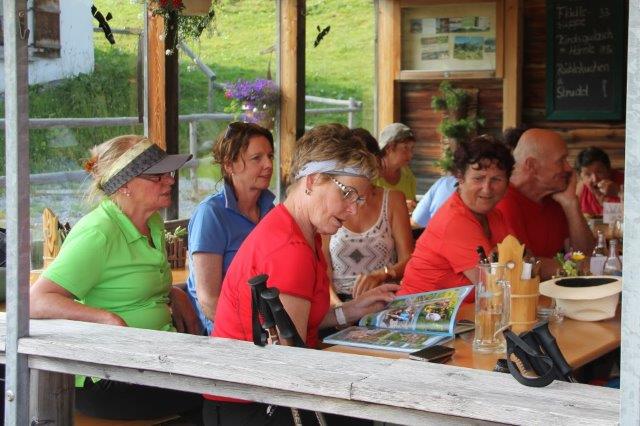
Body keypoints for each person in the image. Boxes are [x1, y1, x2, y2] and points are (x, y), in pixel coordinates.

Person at [207, 124, 399, 425]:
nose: (353, 210)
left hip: (255, 392)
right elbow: (291, 359)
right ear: (312, 180)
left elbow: (297, 321)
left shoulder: (300, 230)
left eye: (359, 199)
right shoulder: (290, 249)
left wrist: (351, 309)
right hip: (251, 405)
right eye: (347, 194)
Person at [29, 135, 203, 421]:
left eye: (169, 173)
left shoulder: (152, 222)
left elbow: (130, 280)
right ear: (124, 185)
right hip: (108, 375)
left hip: (153, 359)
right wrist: (105, 318)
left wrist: (174, 292)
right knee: (221, 395)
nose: (170, 181)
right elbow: (36, 300)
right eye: (157, 175)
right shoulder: (99, 232)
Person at [187, 122, 275, 334]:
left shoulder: (271, 211)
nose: (268, 165)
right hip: (227, 333)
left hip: (266, 323)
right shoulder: (211, 214)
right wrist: (254, 335)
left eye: (270, 156)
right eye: (257, 158)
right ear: (229, 165)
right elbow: (209, 301)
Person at [398, 135, 514, 297]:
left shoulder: (494, 215)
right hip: (418, 310)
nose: (487, 189)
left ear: (507, 183)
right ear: (460, 178)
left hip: (459, 309)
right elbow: (495, 286)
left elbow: (519, 263)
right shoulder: (455, 220)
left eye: (496, 179)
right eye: (478, 178)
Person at [323, 128, 413, 303]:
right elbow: (323, 271)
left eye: (365, 164)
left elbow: (408, 260)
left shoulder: (393, 199)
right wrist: (339, 309)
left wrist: (384, 274)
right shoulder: (330, 203)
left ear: (377, 163)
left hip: (382, 299)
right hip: (340, 300)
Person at [495, 129, 595, 271]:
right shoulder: (503, 201)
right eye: (561, 161)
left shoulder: (554, 197)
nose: (568, 168)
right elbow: (521, 264)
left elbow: (587, 255)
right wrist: (576, 267)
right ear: (532, 165)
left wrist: (571, 204)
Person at [375, 122, 417, 212]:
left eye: (412, 148)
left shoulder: (408, 175)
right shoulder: (371, 174)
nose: (411, 155)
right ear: (388, 148)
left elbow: (413, 208)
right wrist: (397, 205)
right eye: (405, 148)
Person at [575, 147, 624, 216]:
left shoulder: (625, 181)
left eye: (599, 172)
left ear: (608, 171)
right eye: (588, 174)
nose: (595, 179)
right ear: (581, 177)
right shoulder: (581, 190)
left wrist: (619, 192)